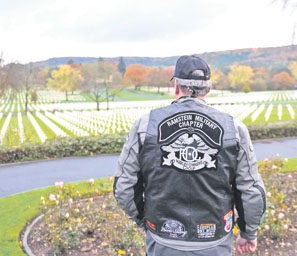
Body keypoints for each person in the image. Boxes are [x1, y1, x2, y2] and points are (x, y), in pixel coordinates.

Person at [113, 55, 267, 255]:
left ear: (176, 86)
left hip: (163, 240)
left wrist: (145, 221)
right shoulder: (234, 129)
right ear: (208, 88)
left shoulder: (145, 125)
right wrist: (248, 232)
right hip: (215, 240)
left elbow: (124, 186)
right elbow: (251, 190)